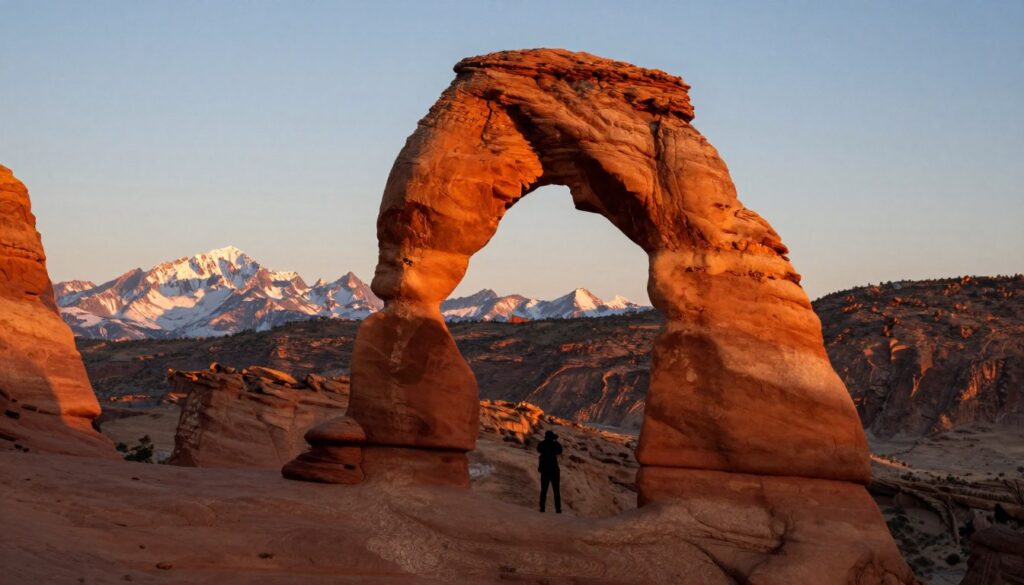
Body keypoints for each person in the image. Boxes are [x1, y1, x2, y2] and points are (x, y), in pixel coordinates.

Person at [537, 430, 563, 513]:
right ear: (552, 437)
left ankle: (542, 508)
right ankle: (558, 509)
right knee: (556, 491)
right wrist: (555, 440)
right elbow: (560, 450)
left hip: (545, 471)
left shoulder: (542, 444)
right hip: (554, 470)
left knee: (543, 490)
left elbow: (538, 449)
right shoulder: (554, 444)